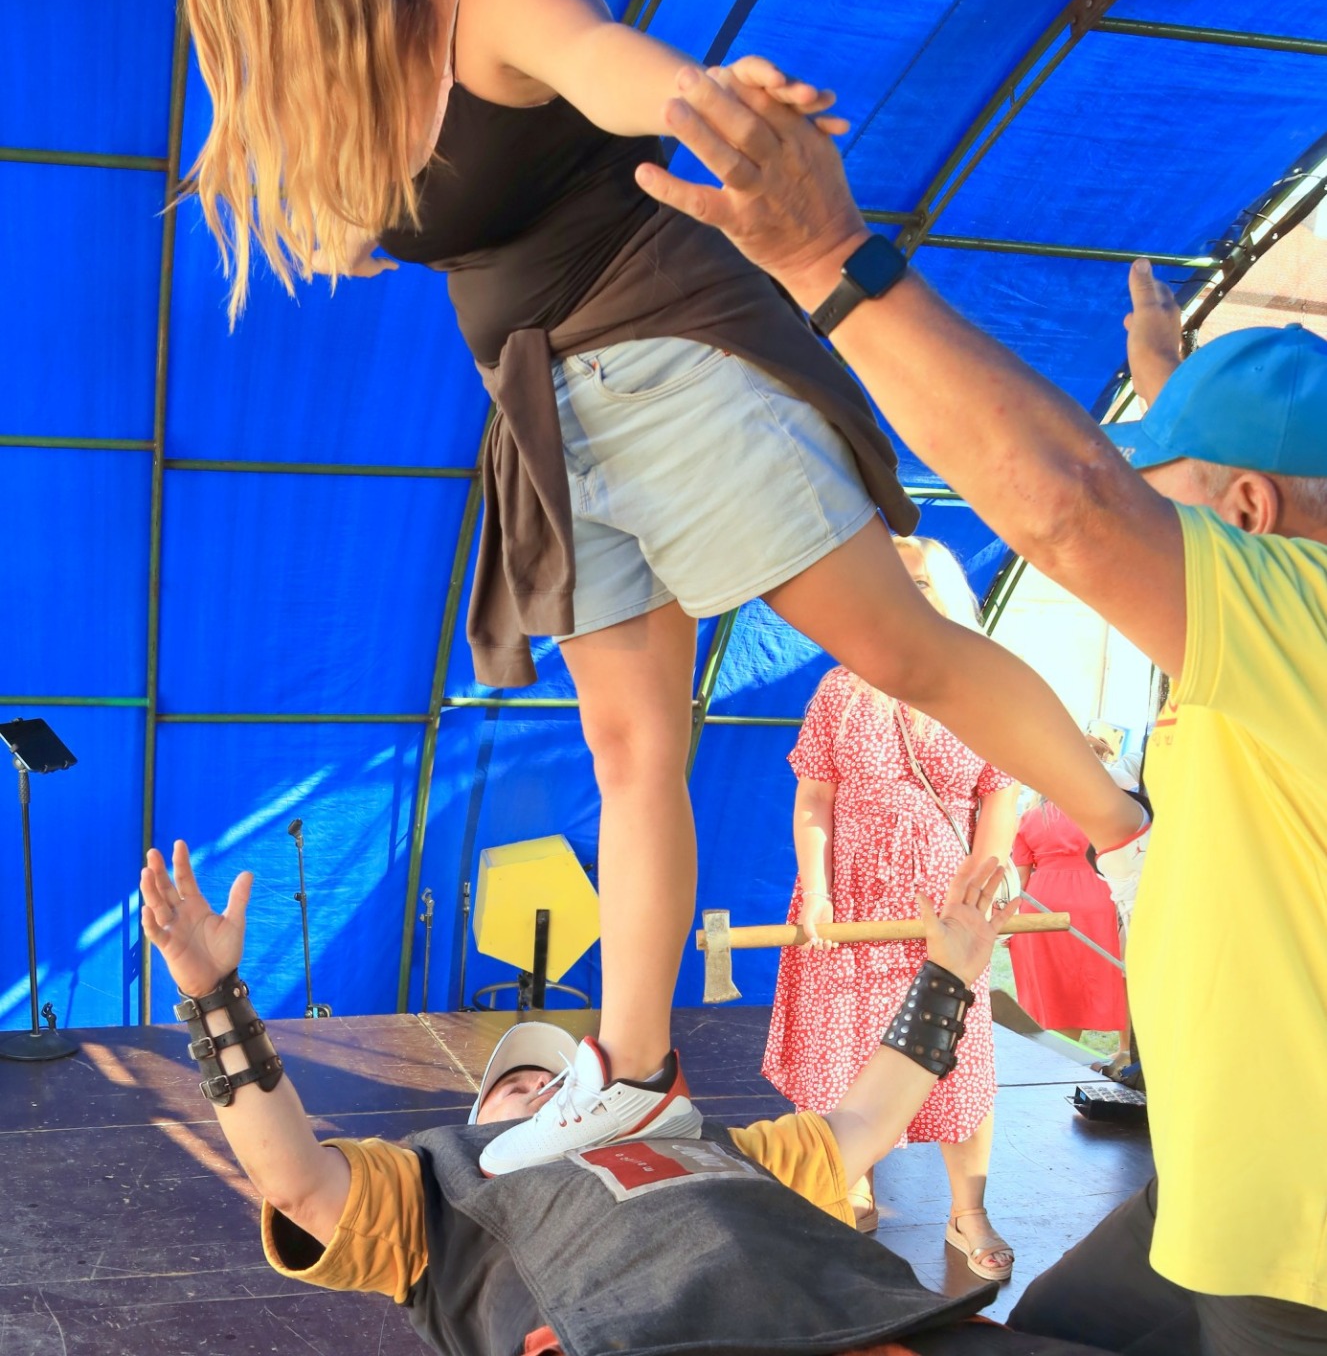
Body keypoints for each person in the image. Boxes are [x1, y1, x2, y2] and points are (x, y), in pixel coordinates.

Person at [167, 0, 1142, 1176]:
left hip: (667, 351)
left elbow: (601, 63)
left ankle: (1124, 835)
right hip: (547, 414)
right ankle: (631, 1072)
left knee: (891, 645)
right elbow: (355, 201)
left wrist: (701, 93)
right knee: (628, 749)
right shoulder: (354, 74)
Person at [635, 64, 1327, 1353]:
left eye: (1173, 506)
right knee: (1045, 1326)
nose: (1150, 541)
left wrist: (828, 257)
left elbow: (1072, 508)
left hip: (1300, 1233)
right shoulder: (1274, 643)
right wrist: (1172, 383)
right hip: (1220, 1175)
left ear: (1245, 513)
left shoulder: (1309, 617)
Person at [139, 838, 1112, 1356]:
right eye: (513, 1083)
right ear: (478, 1121)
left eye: (556, 1077)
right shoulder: (433, 1186)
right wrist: (213, 996)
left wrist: (949, 974)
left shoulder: (711, 1144)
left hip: (865, 1325)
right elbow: (295, 1180)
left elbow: (866, 1119)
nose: (538, 1085)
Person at [764, 535, 1019, 1278]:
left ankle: (967, 1212)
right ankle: (850, 1184)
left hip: (945, 904)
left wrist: (984, 879)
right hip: (849, 902)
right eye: (892, 580)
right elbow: (813, 798)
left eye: (921, 581)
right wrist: (817, 893)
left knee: (957, 1053)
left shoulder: (983, 683)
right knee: (841, 1049)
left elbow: (1001, 791)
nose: (905, 592)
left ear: (949, 593)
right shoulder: (839, 689)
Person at [1008, 764, 1128, 1040]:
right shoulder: (1097, 813)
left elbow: (1019, 878)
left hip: (1041, 903)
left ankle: (1057, 1050)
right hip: (1095, 899)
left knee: (1049, 981)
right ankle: (1079, 1048)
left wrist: (1011, 923)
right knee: (1087, 977)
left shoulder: (1029, 818)